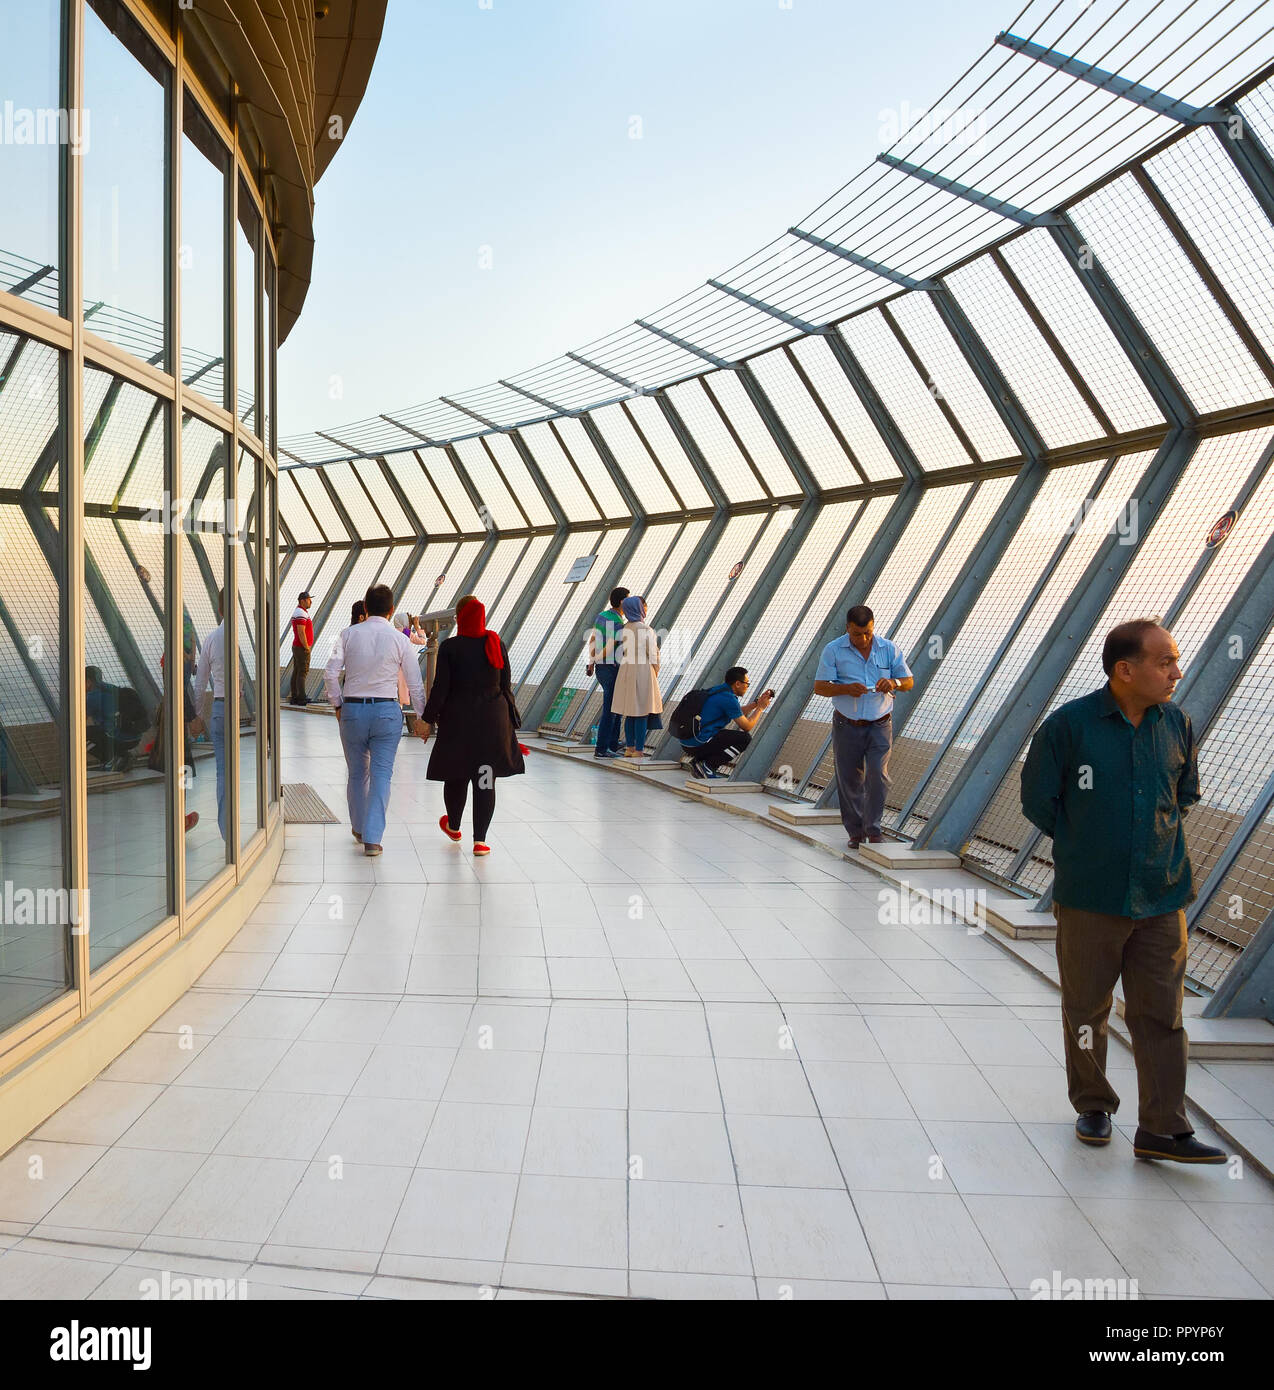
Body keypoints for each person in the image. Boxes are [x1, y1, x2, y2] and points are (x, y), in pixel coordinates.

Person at [1021, 618, 1225, 1165]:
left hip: (1162, 895)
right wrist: (1090, 845)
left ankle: (1163, 1126)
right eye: (1165, 662)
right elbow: (1040, 802)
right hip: (1091, 897)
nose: (1176, 673)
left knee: (1162, 1014)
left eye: (1176, 661)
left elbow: (1182, 797)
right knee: (1086, 1010)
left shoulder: (1177, 724)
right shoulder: (1069, 728)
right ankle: (1093, 1104)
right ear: (1124, 670)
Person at [324, 584, 425, 857]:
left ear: (365, 608)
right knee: (381, 774)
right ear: (392, 611)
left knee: (357, 773)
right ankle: (373, 838)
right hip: (385, 712)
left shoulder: (345, 635)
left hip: (354, 711)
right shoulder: (401, 640)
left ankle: (357, 828)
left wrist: (337, 705)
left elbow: (330, 674)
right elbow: (415, 684)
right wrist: (423, 718)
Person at [420, 596, 524, 856]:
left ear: (460, 618)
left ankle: (454, 826)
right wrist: (509, 723)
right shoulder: (495, 643)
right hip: (492, 724)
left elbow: (441, 688)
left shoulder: (450, 648)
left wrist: (427, 719)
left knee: (457, 775)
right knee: (485, 779)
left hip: (459, 723)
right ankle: (480, 841)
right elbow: (506, 685)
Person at [814, 605, 913, 849]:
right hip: (847, 724)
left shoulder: (889, 649)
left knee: (878, 775)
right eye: (858, 634)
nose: (863, 639)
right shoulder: (833, 650)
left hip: (880, 724)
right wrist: (846, 688)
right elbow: (820, 687)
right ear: (848, 628)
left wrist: (893, 682)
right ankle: (856, 832)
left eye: (868, 632)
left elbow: (908, 681)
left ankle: (874, 829)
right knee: (849, 778)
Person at [680, 666, 774, 780]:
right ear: (738, 683)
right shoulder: (729, 699)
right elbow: (747, 726)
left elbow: (736, 712)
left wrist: (755, 704)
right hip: (697, 743)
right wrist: (760, 708)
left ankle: (698, 762)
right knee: (745, 739)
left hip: (688, 740)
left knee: (721, 735)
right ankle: (708, 766)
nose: (747, 687)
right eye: (747, 684)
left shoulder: (718, 690)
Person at [191, 590, 228, 840]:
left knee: (222, 772)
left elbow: (200, 682)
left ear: (219, 609)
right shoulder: (240, 638)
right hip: (233, 708)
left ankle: (226, 831)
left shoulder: (212, 639)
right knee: (234, 772)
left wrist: (197, 715)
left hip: (218, 709)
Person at [612, 594, 662, 760]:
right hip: (642, 670)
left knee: (630, 712)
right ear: (639, 609)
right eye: (644, 605)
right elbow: (653, 653)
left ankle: (629, 748)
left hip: (626, 669)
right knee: (641, 711)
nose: (646, 608)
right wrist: (655, 670)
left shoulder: (625, 628)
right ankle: (639, 750)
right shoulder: (646, 629)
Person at [586, 586, 629, 759]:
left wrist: (591, 661)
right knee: (612, 708)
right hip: (610, 667)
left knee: (614, 705)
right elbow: (609, 647)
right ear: (621, 602)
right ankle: (602, 748)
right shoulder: (616, 623)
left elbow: (593, 639)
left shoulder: (602, 616)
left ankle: (612, 744)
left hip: (601, 668)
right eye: (627, 599)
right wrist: (596, 658)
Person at [85, 667, 146, 773]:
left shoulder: (92, 697)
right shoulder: (111, 688)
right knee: (101, 730)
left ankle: (111, 760)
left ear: (89, 681)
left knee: (79, 736)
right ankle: (123, 756)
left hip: (120, 738)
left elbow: (78, 721)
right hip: (135, 736)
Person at [289, 590, 315, 705]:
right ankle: (301, 697)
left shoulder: (299, 611)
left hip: (297, 646)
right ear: (302, 601)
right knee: (302, 671)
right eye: (309, 599)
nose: (311, 601)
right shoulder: (301, 613)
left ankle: (295, 696)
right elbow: (301, 632)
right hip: (301, 647)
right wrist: (306, 647)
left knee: (297, 671)